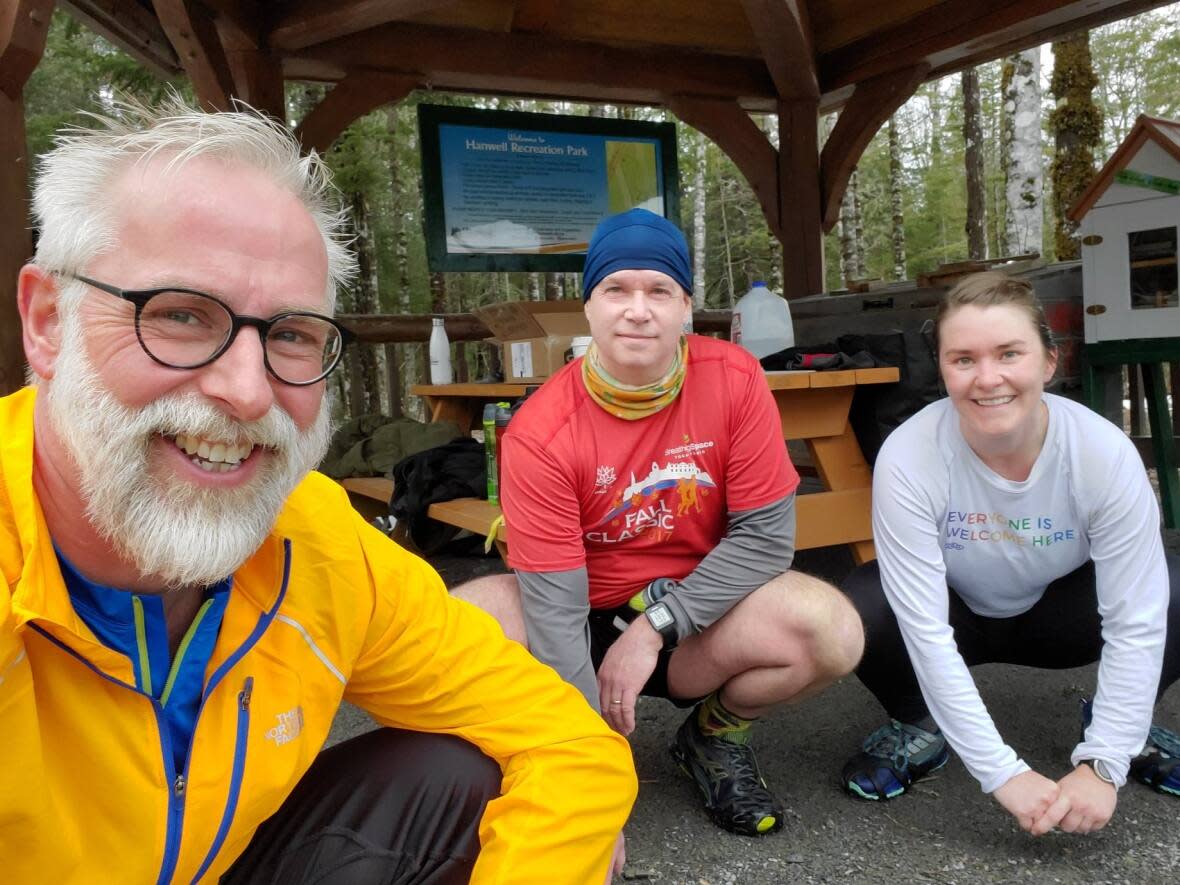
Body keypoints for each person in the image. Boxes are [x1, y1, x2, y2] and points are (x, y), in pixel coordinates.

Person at [0, 97, 637, 884]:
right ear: (46, 322)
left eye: (291, 334)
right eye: (180, 315)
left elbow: (570, 743)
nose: (247, 389)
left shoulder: (312, 538)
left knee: (470, 779)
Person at [455, 209, 864, 842]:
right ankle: (552, 758)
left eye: (658, 291)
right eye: (616, 290)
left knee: (831, 628)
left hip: (694, 612)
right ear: (588, 308)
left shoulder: (734, 379)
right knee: (460, 625)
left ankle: (710, 738)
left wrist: (652, 630)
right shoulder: (539, 430)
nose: (637, 310)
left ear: (685, 309)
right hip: (578, 618)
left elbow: (766, 540)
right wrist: (591, 778)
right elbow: (556, 610)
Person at [839, 271, 1180, 835]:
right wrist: (1001, 772)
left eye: (1009, 353)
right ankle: (920, 725)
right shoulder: (909, 456)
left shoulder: (1101, 452)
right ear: (942, 368)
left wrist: (1104, 761)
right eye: (963, 359)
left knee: (1169, 587)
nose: (987, 378)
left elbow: (1136, 619)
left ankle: (1125, 725)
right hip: (959, 613)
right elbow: (924, 628)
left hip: (1061, 615)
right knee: (862, 603)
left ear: (1049, 361)